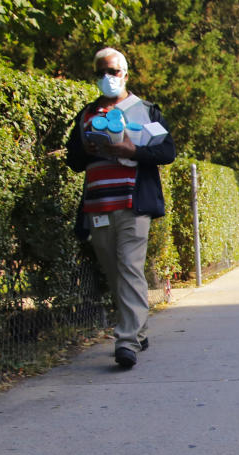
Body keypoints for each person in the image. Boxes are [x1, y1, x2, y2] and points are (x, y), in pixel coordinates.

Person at [65, 47, 176, 369]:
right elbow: (74, 160)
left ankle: (125, 342)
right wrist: (85, 149)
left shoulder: (145, 110)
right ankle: (138, 331)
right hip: (98, 206)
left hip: (133, 203)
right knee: (115, 272)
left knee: (129, 265)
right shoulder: (87, 113)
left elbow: (167, 152)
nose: (107, 78)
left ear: (125, 74)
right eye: (101, 72)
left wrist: (132, 149)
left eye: (112, 71)